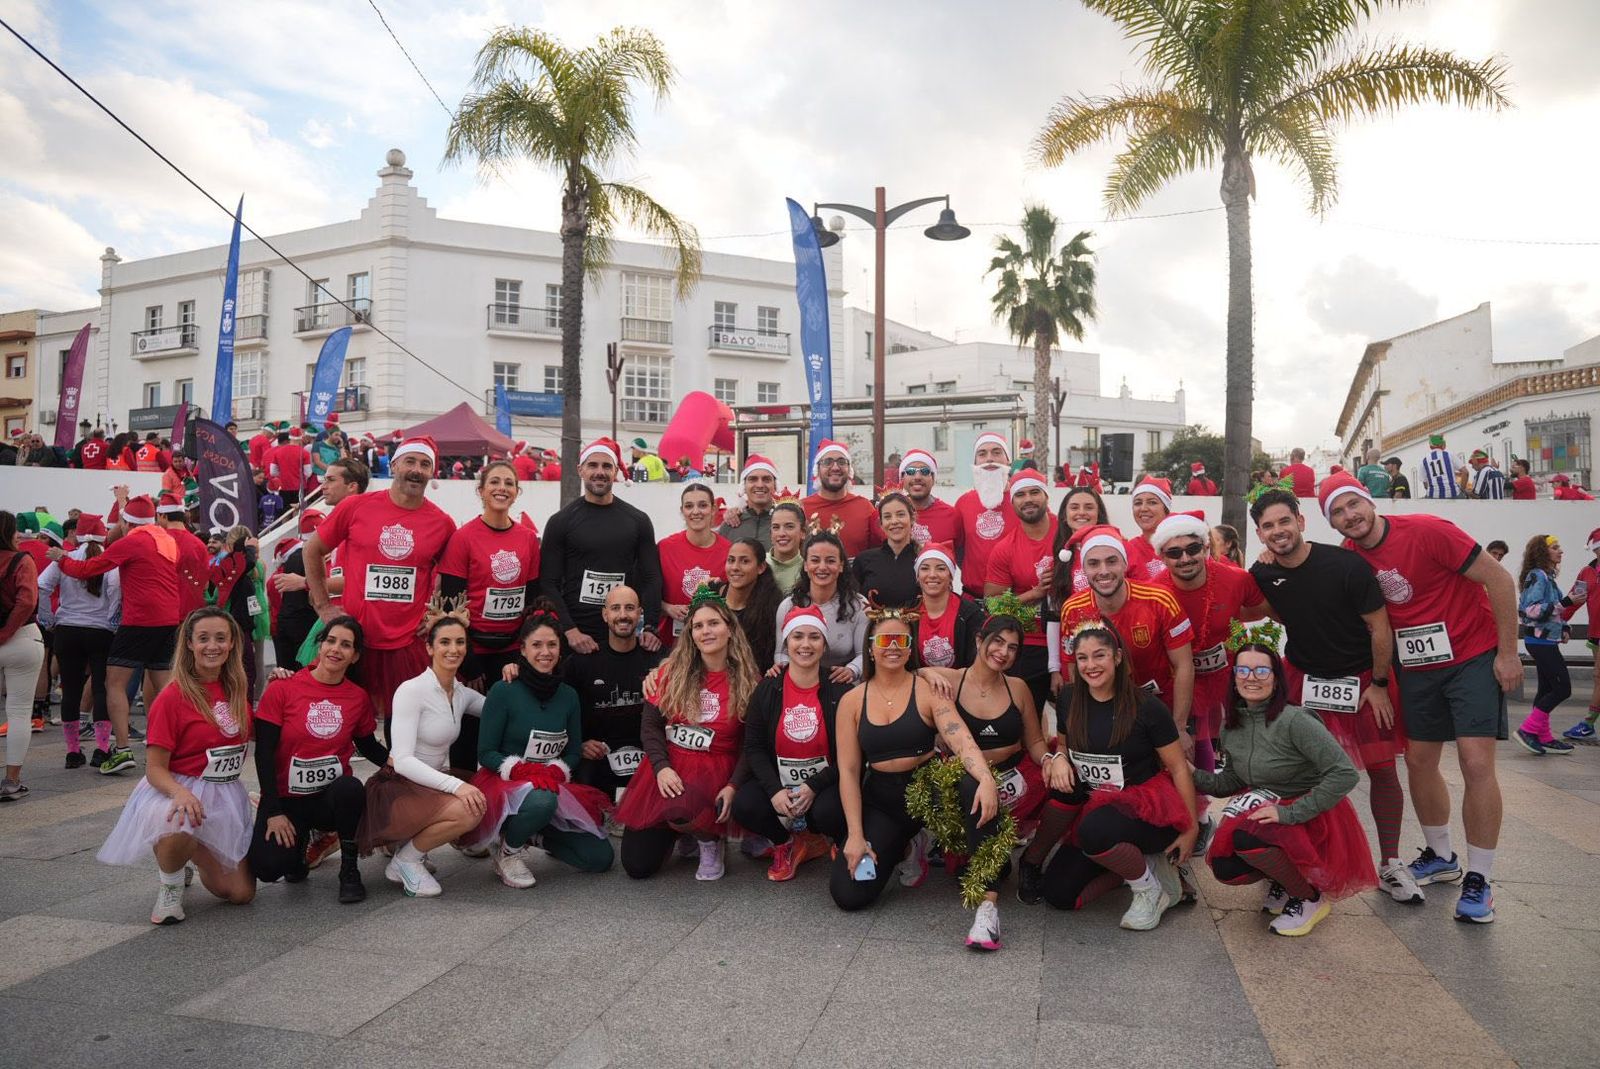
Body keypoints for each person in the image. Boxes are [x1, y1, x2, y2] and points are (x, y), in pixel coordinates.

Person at [1324, 473, 1517, 922]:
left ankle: (1480, 878)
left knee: (1474, 761)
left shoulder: (1428, 530)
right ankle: (1441, 855)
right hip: (1414, 668)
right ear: (1331, 522)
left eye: (1352, 504)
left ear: (1368, 501)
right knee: (1418, 761)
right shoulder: (1349, 560)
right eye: (1337, 511)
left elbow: (1500, 580)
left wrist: (1508, 653)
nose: (1349, 515)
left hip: (1470, 655)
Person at [1250, 486, 1418, 903]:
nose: (1278, 530)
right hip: (1304, 681)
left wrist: (1379, 685)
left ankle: (1392, 864)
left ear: (1301, 522)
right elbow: (1257, 607)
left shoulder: (1346, 565)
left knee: (1382, 771)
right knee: (1293, 777)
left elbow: (1381, 627)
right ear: (1260, 534)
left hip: (1362, 685)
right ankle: (1293, 868)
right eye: (1268, 526)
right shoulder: (1264, 573)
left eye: (1284, 521)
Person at [830, 609, 1002, 949]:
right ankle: (910, 846)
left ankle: (988, 906)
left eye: (901, 640)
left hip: (928, 788)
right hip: (882, 800)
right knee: (848, 895)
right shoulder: (851, 700)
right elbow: (849, 772)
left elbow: (959, 737)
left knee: (972, 785)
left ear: (910, 649)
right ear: (871, 648)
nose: (892, 647)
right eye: (884, 640)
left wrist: (985, 777)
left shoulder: (927, 690)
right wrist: (855, 836)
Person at [1194, 635, 1377, 936]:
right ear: (1234, 678)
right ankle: (1284, 880)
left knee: (1248, 838)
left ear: (1276, 679)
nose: (1251, 678)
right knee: (1227, 866)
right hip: (1269, 808)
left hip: (1310, 814)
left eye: (1261, 671)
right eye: (1243, 671)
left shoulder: (1296, 720)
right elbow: (1233, 780)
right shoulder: (1232, 724)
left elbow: (1345, 773)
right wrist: (1188, 772)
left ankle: (1309, 898)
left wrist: (1289, 814)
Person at [1032, 620, 1197, 931]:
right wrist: (1059, 759)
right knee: (1059, 894)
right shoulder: (1068, 698)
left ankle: (1151, 891)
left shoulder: (1147, 707)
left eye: (1100, 656)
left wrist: (1190, 830)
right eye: (1082, 658)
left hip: (1148, 811)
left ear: (1118, 658)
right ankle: (1135, 867)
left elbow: (1177, 768)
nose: (1091, 665)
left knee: (1095, 829)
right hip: (1099, 810)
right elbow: (1065, 744)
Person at [96, 607, 257, 923]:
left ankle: (190, 853)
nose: (213, 646)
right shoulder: (173, 695)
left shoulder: (237, 688)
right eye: (204, 639)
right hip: (177, 787)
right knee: (180, 823)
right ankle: (169, 886)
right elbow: (154, 768)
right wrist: (180, 793)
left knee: (241, 894)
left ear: (232, 644)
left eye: (221, 638)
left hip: (225, 792)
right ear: (190, 645)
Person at [304, 435, 457, 727]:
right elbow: (314, 549)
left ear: (432, 473)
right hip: (354, 636)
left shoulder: (442, 523)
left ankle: (396, 772)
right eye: (410, 461)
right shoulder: (356, 507)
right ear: (395, 464)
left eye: (425, 464)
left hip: (407, 643)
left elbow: (451, 575)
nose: (417, 469)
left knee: (404, 724)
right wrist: (323, 606)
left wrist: (438, 612)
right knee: (336, 718)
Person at [615, 592, 760, 881]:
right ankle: (684, 830)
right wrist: (661, 768)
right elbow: (651, 726)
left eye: (713, 623)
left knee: (685, 804)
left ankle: (709, 841)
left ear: (729, 629)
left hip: (717, 768)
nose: (706, 631)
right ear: (690, 634)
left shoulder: (748, 681)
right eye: (698, 626)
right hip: (671, 765)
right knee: (637, 865)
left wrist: (733, 785)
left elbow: (750, 743)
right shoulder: (670, 672)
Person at [464, 607, 614, 887]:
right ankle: (507, 852)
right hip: (506, 785)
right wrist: (521, 770)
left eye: (552, 644)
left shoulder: (568, 696)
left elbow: (572, 750)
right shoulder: (504, 690)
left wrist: (558, 770)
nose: (545, 652)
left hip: (550, 786)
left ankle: (530, 835)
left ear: (560, 649)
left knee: (599, 858)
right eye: (536, 645)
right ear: (522, 650)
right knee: (542, 800)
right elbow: (485, 752)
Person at [922, 612, 1061, 907]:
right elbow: (907, 675)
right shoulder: (950, 679)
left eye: (1012, 648)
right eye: (997, 642)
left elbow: (1035, 741)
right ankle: (987, 855)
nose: (1003, 652)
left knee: (1065, 785)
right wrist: (926, 672)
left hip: (1014, 776)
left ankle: (1031, 860)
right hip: (964, 779)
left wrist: (1049, 759)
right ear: (979, 640)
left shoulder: (1018, 688)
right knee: (962, 865)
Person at [249, 617, 386, 902]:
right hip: (286, 801)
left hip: (329, 799)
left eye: (346, 645)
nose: (336, 649)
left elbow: (369, 746)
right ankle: (299, 845)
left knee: (351, 788)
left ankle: (349, 870)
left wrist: (408, 767)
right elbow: (263, 753)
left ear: (355, 655)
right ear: (319, 645)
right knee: (268, 868)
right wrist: (273, 811)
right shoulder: (283, 688)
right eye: (331, 641)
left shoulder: (357, 697)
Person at [356, 617, 489, 897]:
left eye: (460, 642)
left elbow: (501, 709)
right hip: (398, 788)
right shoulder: (411, 690)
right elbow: (402, 760)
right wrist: (458, 786)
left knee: (480, 795)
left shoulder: (462, 693)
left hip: (428, 786)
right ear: (429, 648)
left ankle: (408, 848)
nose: (453, 649)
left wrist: (516, 674)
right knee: (470, 807)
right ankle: (407, 860)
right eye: (444, 642)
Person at [49, 495, 179, 775]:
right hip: (169, 619)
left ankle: (121, 750)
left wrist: (61, 559)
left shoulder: (132, 541)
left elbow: (87, 569)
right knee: (165, 686)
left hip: (140, 620)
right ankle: (174, 744)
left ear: (126, 522)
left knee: (113, 683)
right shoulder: (166, 538)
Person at [438, 459, 542, 767]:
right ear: (481, 490)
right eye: (494, 482)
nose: (502, 488)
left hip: (511, 649)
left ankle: (508, 794)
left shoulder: (527, 539)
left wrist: (523, 653)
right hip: (472, 650)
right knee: (468, 731)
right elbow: (449, 605)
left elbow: (533, 599)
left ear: (517, 492)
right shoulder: (464, 537)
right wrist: (467, 662)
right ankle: (465, 800)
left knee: (510, 727)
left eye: (509, 483)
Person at [732, 605, 848, 880]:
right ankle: (786, 842)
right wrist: (774, 790)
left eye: (814, 637)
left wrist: (813, 785)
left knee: (830, 810)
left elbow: (852, 754)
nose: (805, 645)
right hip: (780, 779)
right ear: (786, 642)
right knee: (745, 805)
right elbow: (755, 747)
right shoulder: (768, 688)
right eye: (797, 637)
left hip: (824, 784)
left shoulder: (840, 689)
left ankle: (827, 838)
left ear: (824, 643)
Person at [1151, 510, 1268, 775]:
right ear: (1162, 557)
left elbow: (1264, 609)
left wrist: (1233, 616)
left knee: (1247, 748)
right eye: (1174, 553)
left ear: (1205, 547)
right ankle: (1200, 810)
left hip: (1229, 677)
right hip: (1181, 680)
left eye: (1193, 549)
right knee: (1188, 751)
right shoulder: (1155, 592)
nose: (1185, 558)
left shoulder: (1236, 578)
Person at [1056, 525, 1194, 746]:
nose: (1103, 571)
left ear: (1124, 564)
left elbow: (1184, 664)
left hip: (1161, 708)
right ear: (1083, 570)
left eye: (1111, 561)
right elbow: (1074, 670)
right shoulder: (1073, 609)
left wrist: (1179, 727)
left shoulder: (1159, 599)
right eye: (1093, 563)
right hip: (1107, 714)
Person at [539, 437, 664, 655]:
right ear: (580, 470)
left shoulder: (638, 520)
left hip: (625, 634)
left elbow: (651, 577)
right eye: (592, 465)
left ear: (615, 471)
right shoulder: (561, 521)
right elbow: (548, 582)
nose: (600, 472)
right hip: (577, 638)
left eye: (607, 466)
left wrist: (651, 626)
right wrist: (570, 630)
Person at [36, 514, 119, 769]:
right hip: (101, 631)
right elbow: (116, 590)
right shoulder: (110, 559)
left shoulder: (66, 557)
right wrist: (113, 620)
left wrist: (47, 619)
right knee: (102, 688)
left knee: (70, 690)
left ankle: (73, 752)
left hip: (67, 629)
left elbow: (41, 586)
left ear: (77, 533)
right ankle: (103, 749)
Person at [566, 585, 664, 799]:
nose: (623, 615)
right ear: (605, 614)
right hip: (597, 755)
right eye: (615, 608)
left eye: (629, 608)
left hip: (649, 754)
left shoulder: (657, 659)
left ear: (640, 613)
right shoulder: (582, 662)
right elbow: (560, 708)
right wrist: (578, 743)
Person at [983, 470, 1059, 710]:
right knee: (1025, 717)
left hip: (1071, 639)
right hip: (1030, 641)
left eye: (1034, 492)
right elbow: (992, 605)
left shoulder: (1066, 532)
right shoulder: (1005, 548)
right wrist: (1034, 594)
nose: (1028, 499)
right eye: (1020, 494)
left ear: (1046, 496)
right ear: (1012, 502)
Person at [1512, 535, 1579, 754]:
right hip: (1539, 642)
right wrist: (1565, 602)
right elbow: (1529, 611)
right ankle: (1528, 731)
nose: (1561, 551)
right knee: (1562, 688)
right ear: (1542, 552)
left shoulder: (1547, 577)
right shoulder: (1538, 576)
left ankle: (1543, 736)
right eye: (1555, 548)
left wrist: (1565, 627)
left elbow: (1554, 611)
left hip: (1545, 641)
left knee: (1546, 689)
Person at [776, 531, 868, 683]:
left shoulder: (858, 605)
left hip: (844, 685)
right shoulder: (788, 605)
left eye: (830, 561)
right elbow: (781, 653)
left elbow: (864, 654)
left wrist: (852, 669)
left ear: (841, 566)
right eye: (815, 560)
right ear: (805, 565)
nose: (822, 567)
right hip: (801, 683)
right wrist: (784, 669)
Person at [0, 512, 45, 799]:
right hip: (22, 640)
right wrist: (5, 633)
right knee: (18, 712)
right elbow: (27, 600)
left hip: (11, 637)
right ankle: (11, 781)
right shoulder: (21, 560)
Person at [657, 483, 731, 646]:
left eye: (703, 505)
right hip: (670, 644)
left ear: (713, 509)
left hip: (712, 644)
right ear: (682, 511)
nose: (696, 512)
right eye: (689, 506)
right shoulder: (665, 548)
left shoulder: (729, 552)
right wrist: (667, 607)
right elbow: (647, 592)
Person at [954, 433, 1017, 597]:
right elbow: (959, 550)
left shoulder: (1024, 500)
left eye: (997, 452)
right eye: (982, 454)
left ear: (1008, 460)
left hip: (1017, 600)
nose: (990, 459)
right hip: (972, 599)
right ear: (975, 462)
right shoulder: (963, 503)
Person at [801, 439, 881, 559]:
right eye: (828, 462)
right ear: (817, 469)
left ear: (849, 470)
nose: (835, 467)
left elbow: (878, 554)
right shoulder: (802, 508)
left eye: (842, 462)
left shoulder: (866, 508)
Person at [910, 543, 985, 669]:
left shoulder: (971, 614)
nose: (932, 574)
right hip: (919, 684)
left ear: (951, 575)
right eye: (924, 568)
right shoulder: (906, 613)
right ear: (917, 576)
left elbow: (977, 665)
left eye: (940, 568)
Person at [1560, 528, 1599, 740]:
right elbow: (1576, 598)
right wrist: (1559, 621)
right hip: (1596, 634)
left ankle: (1589, 723)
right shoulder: (1588, 572)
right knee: (1599, 677)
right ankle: (1589, 724)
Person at [851, 492, 920, 609]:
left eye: (900, 515)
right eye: (887, 517)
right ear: (881, 524)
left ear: (912, 518)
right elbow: (853, 604)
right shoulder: (863, 560)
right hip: (872, 626)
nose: (894, 521)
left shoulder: (923, 560)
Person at [1046, 485, 1110, 609]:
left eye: (1089, 507)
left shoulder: (1117, 552)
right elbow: (1054, 610)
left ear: (1099, 514)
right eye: (1074, 507)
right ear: (1065, 515)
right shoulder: (1059, 559)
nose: (1081, 512)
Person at [724, 539, 781, 669]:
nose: (735, 568)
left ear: (761, 568)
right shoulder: (711, 595)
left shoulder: (771, 607)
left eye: (745, 561)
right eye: (731, 560)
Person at [896, 449, 960, 547]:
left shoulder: (952, 515)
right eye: (911, 471)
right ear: (902, 479)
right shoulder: (890, 516)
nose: (917, 477)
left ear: (933, 478)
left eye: (925, 471)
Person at [716, 455, 780, 548]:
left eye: (766, 479)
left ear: (775, 485)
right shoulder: (730, 524)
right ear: (744, 486)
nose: (760, 485)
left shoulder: (786, 522)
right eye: (753, 479)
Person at [1124, 476, 1173, 580]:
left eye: (1152, 502)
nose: (1143, 508)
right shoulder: (1128, 549)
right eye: (1138, 503)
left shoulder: (1183, 545)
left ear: (1166, 508)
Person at [765, 500, 807, 595]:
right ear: (771, 534)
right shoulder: (758, 564)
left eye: (789, 527)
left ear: (803, 533)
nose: (782, 533)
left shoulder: (808, 569)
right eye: (776, 527)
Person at [267, 427, 311, 506]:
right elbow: (308, 473)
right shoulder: (304, 453)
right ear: (301, 438)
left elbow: (273, 472)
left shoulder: (278, 452)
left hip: (283, 486)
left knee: (284, 512)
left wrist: (283, 473)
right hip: (300, 487)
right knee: (298, 510)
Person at [1420, 434, 1460, 499]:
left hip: (1433, 495)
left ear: (1430, 446)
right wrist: (1461, 489)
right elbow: (1465, 472)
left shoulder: (1424, 460)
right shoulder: (1449, 455)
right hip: (1453, 493)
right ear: (1442, 445)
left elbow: (1425, 483)